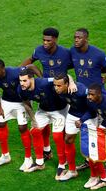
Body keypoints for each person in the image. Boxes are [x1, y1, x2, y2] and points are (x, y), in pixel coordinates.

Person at [20, 27, 72, 161]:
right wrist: (18, 72)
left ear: (55, 39)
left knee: (65, 127)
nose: (45, 42)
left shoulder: (66, 53)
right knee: (44, 116)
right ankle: (48, 151)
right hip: (45, 89)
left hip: (61, 91)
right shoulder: (39, 50)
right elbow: (30, 61)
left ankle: (66, 155)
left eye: (48, 40)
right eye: (43, 39)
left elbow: (76, 66)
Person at [70, 28, 106, 170]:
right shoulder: (73, 52)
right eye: (75, 37)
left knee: (102, 130)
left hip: (98, 98)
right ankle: (90, 159)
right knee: (87, 130)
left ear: (86, 39)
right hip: (83, 97)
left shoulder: (98, 54)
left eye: (79, 37)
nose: (76, 40)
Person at [0, 59, 39, 171]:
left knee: (22, 127)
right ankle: (5, 156)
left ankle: (28, 158)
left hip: (22, 102)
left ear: (3, 70)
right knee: (0, 123)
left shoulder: (15, 72)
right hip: (6, 101)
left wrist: (41, 80)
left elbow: (32, 67)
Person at [17, 69, 71, 177]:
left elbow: (65, 77)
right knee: (35, 131)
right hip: (43, 110)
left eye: (24, 80)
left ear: (32, 79)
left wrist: (72, 82)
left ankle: (62, 164)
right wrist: (33, 119)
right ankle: (39, 162)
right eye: (20, 81)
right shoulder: (21, 89)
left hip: (59, 110)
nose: (21, 83)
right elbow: (26, 104)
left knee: (57, 136)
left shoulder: (44, 82)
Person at [53, 73, 90, 181]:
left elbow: (93, 105)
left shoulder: (80, 91)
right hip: (73, 113)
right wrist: (70, 78)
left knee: (91, 145)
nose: (56, 88)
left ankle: (98, 174)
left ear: (67, 85)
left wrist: (83, 119)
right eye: (55, 85)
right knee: (68, 139)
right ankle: (72, 170)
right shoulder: (58, 86)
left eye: (59, 86)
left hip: (88, 115)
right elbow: (59, 75)